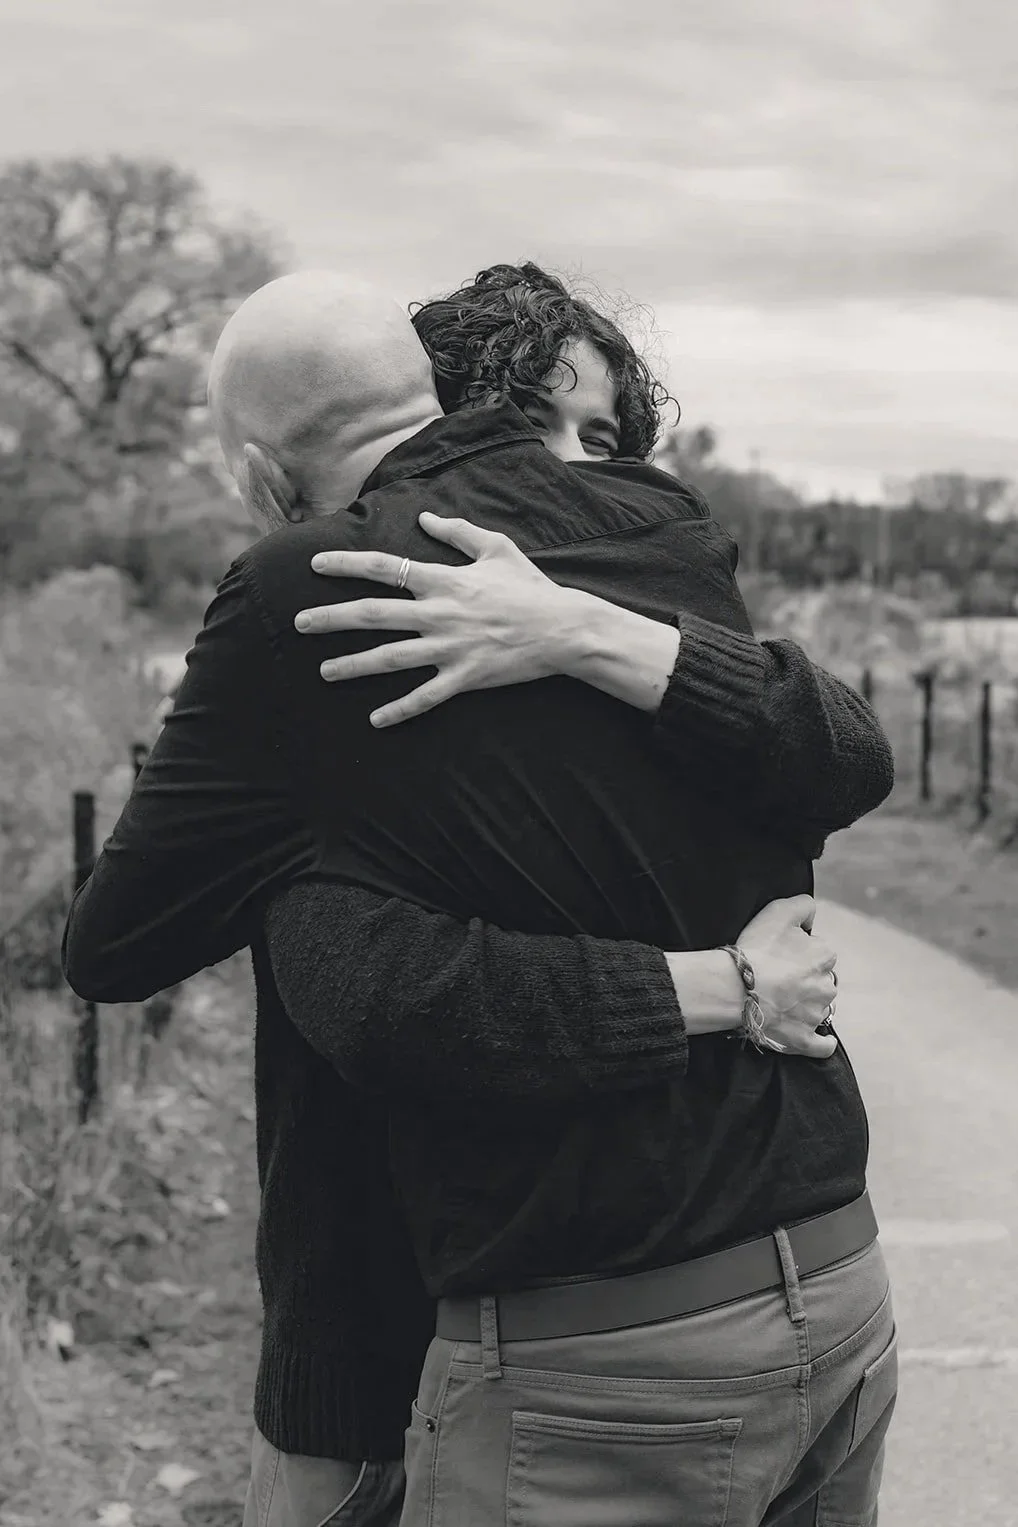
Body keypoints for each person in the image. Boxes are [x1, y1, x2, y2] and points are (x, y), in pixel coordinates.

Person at [60, 270, 893, 1527]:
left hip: (601, 1346)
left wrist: (282, 845)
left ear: (255, 472)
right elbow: (821, 776)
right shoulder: (663, 532)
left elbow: (116, 943)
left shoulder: (310, 581)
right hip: (829, 1274)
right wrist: (720, 983)